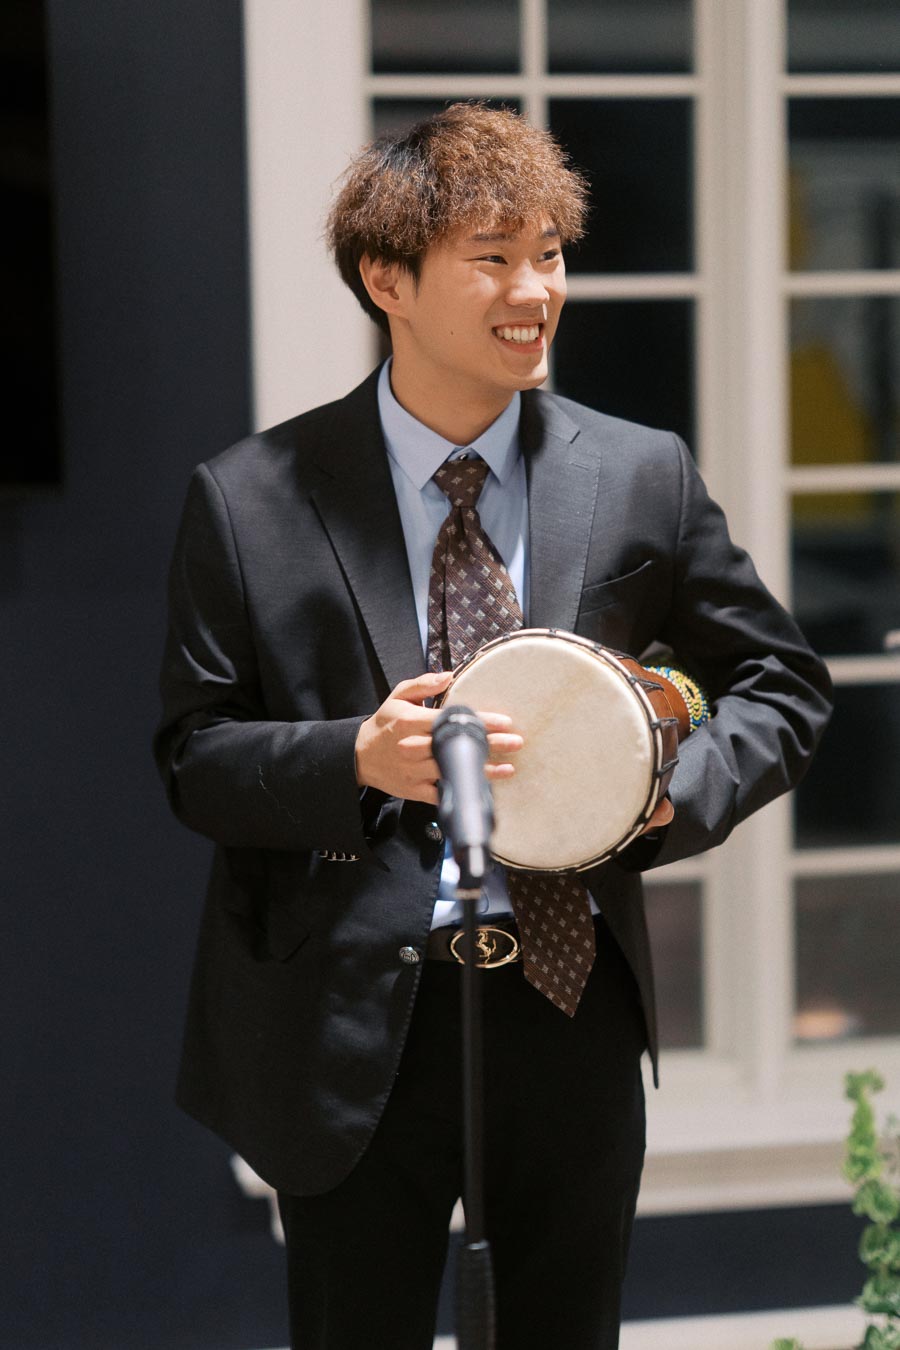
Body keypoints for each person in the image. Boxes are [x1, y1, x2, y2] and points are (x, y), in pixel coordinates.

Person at [154, 103, 832, 1350]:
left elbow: (782, 685)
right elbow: (193, 757)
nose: (537, 290)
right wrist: (350, 758)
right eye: (494, 256)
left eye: (553, 254)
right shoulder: (248, 499)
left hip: (572, 1018)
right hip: (351, 1026)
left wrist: (664, 792)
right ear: (387, 278)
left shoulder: (641, 474)